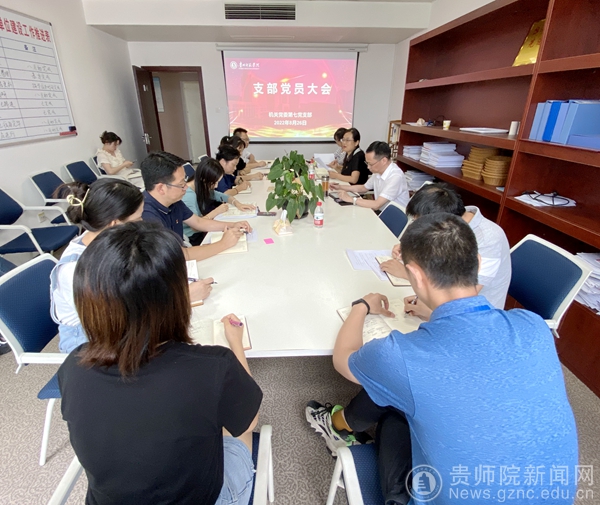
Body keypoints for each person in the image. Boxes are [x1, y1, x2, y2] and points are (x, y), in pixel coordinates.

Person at [306, 213, 577, 505]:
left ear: (415, 275)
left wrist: (361, 306)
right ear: (478, 264)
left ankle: (349, 440)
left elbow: (343, 359)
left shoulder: (398, 355)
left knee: (394, 408)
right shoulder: (533, 326)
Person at [58, 221, 262, 505]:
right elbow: (248, 422)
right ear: (176, 296)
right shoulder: (213, 366)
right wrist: (236, 343)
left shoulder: (73, 365)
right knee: (235, 433)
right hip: (205, 498)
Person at [50, 179, 214, 354]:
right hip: (91, 343)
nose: (143, 222)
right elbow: (120, 319)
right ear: (114, 224)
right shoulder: (76, 269)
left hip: (122, 323)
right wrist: (182, 297)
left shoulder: (106, 243)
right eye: (137, 219)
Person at [379, 183, 511, 317]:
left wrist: (408, 274)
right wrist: (410, 247)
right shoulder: (452, 219)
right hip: (442, 295)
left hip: (476, 315)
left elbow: (466, 296)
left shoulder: (489, 238)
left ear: (439, 222)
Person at [141, 151, 252, 261]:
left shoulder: (174, 201)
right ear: (161, 188)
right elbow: (178, 255)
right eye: (181, 184)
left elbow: (198, 222)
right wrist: (223, 244)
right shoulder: (146, 215)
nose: (185, 187)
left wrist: (233, 225)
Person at [182, 158, 256, 246]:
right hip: (193, 238)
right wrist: (216, 212)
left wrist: (238, 204)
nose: (216, 186)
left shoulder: (201, 186)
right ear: (204, 179)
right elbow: (196, 226)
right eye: (214, 183)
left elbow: (224, 196)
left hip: (201, 231)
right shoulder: (188, 195)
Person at [331, 141, 409, 211]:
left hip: (393, 218)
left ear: (384, 161)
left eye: (370, 164)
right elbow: (364, 188)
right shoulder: (378, 171)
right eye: (367, 163)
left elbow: (377, 205)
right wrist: (340, 187)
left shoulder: (395, 176)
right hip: (382, 212)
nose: (368, 167)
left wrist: (351, 199)